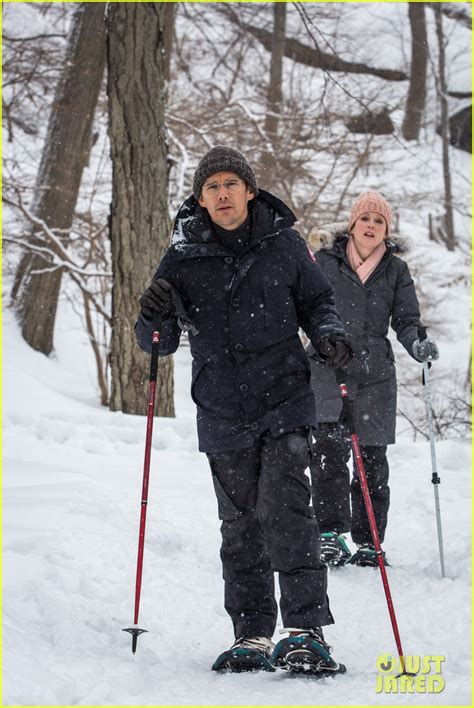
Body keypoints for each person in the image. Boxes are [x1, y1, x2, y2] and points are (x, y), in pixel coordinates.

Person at [135, 146, 353, 675]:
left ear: (250, 191)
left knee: (286, 509)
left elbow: (318, 303)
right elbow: (158, 343)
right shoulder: (183, 255)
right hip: (222, 405)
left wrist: (329, 335)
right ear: (200, 198)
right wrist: (151, 316)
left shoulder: (283, 244)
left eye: (231, 184)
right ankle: (251, 633)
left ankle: (305, 631)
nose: (222, 194)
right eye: (211, 187)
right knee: (239, 525)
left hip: (283, 397)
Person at [308, 191, 439, 568]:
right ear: (351, 225)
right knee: (329, 454)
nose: (370, 225)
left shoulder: (396, 270)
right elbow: (306, 308)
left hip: (375, 374)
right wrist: (323, 341)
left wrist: (417, 343)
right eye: (364, 218)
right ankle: (330, 534)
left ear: (386, 230)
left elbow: (406, 320)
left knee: (371, 461)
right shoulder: (324, 262)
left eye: (378, 221)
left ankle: (369, 542)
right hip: (327, 366)